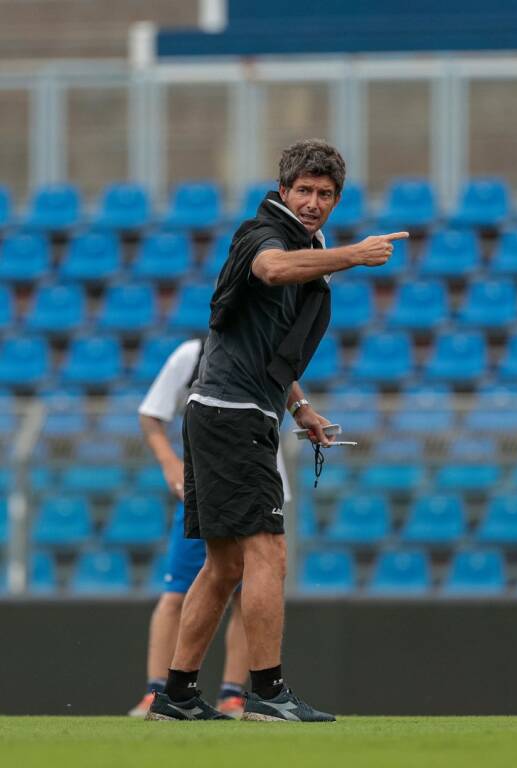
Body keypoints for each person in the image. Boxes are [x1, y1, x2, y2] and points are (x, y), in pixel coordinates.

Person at [146, 138, 407, 721]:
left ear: (337, 198)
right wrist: (353, 254)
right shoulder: (263, 235)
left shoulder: (304, 244)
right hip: (232, 416)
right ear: (283, 190)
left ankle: (178, 695)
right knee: (268, 553)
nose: (314, 202)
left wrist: (301, 408)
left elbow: (263, 345)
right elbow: (268, 269)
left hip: (230, 412)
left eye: (326, 193)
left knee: (224, 565)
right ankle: (266, 692)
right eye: (305, 191)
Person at [129, 336, 292, 718]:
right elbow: (151, 412)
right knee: (182, 589)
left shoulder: (270, 348)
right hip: (210, 481)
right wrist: (171, 464)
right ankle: (159, 691)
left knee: (244, 589)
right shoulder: (194, 352)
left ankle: (231, 693)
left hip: (256, 475)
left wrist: (301, 406)